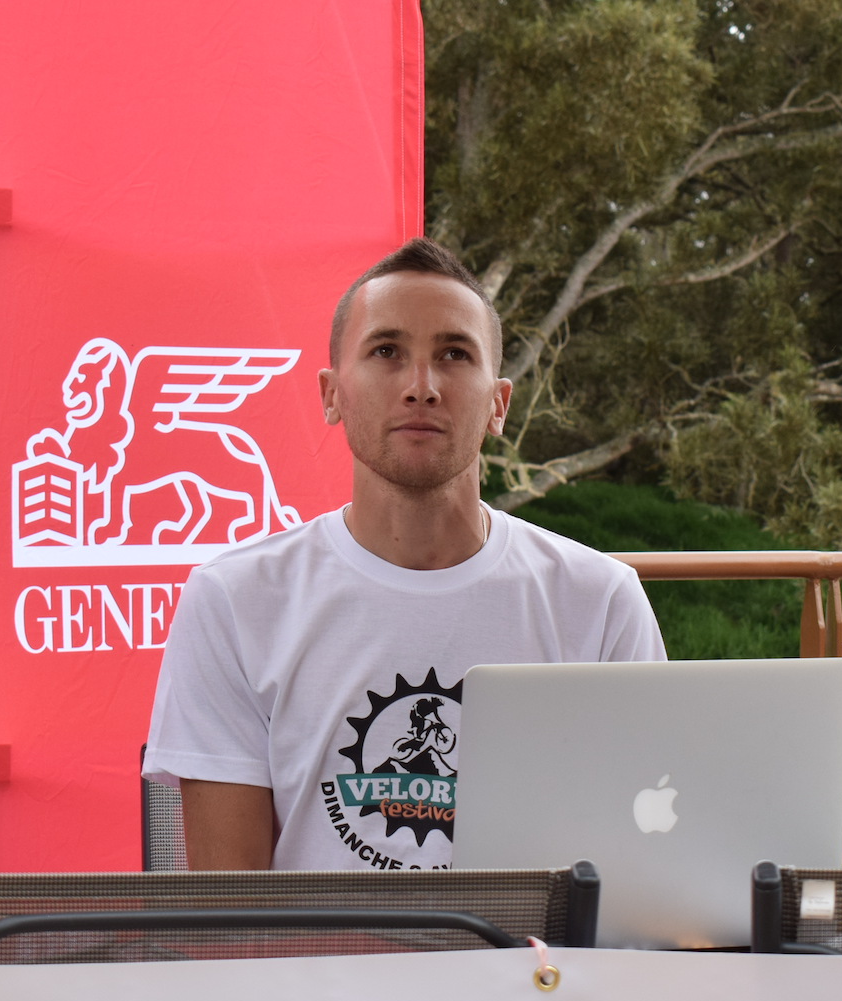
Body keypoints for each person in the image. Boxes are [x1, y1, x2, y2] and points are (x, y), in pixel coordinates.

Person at [142, 239, 666, 871]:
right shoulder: (233, 600)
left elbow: (637, 872)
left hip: (527, 969)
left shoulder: (599, 601)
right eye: (387, 352)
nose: (422, 387)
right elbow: (230, 916)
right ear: (332, 394)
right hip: (313, 972)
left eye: (454, 354)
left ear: (497, 403)